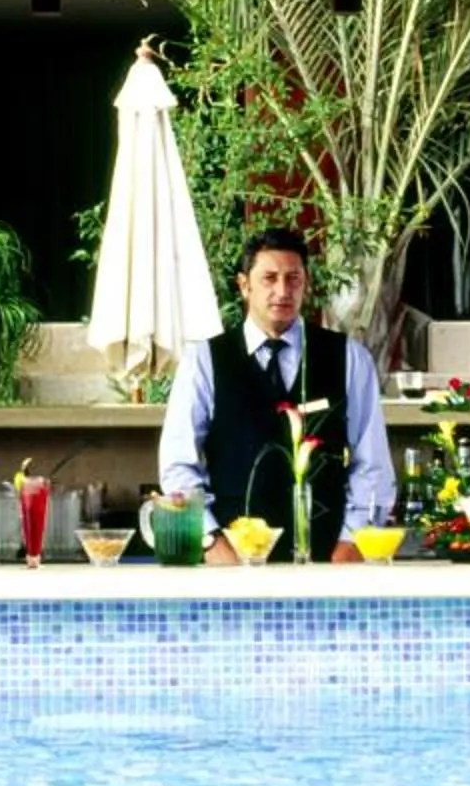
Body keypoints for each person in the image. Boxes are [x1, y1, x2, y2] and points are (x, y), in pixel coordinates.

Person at [160, 228, 394, 564]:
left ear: (306, 284)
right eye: (269, 278)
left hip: (328, 554)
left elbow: (373, 464)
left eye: (293, 279)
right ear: (244, 285)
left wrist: (352, 540)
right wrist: (211, 542)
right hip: (233, 555)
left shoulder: (349, 358)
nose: (282, 291)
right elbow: (178, 466)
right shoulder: (204, 361)